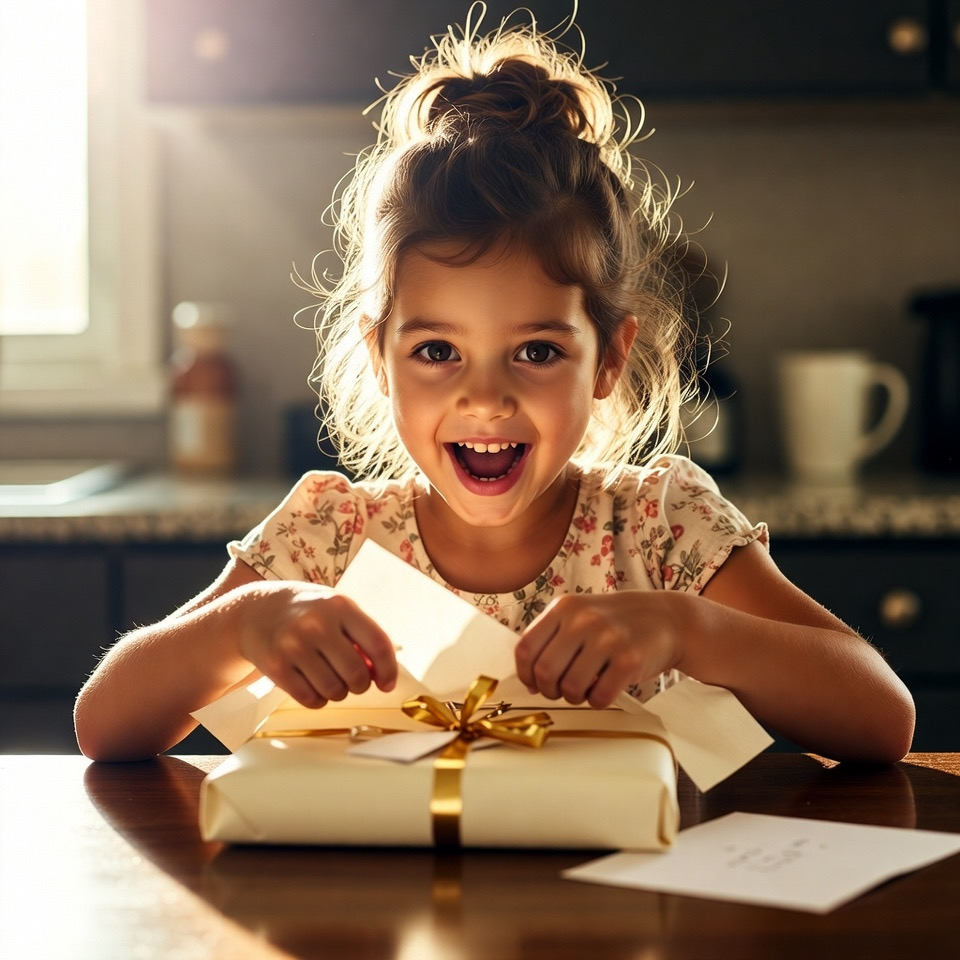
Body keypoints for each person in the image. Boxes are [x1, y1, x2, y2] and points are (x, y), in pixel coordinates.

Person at [74, 8, 914, 764]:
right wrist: (238, 625)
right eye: (438, 350)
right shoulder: (328, 539)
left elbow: (882, 719)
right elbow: (103, 725)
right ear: (378, 355)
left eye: (538, 352)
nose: (485, 398)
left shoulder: (660, 531)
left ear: (610, 358)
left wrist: (692, 629)